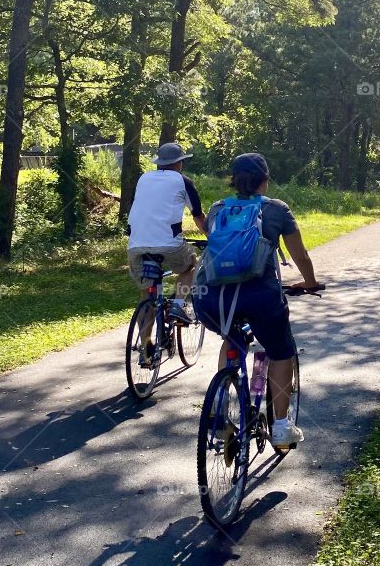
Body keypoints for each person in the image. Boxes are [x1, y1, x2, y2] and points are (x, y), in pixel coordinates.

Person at [194, 152, 320, 452]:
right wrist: (310, 283)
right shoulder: (277, 209)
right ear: (266, 179)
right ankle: (280, 427)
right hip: (260, 297)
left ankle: (219, 411)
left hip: (213, 300)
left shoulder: (217, 208)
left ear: (233, 179)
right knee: (280, 351)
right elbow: (300, 256)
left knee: (233, 339)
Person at [127, 142, 207, 340]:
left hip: (136, 243)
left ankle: (145, 347)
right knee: (190, 266)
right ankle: (178, 307)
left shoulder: (143, 179)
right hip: (169, 243)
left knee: (147, 292)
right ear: (179, 163)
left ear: (159, 163)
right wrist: (213, 238)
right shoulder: (182, 181)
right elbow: (198, 216)